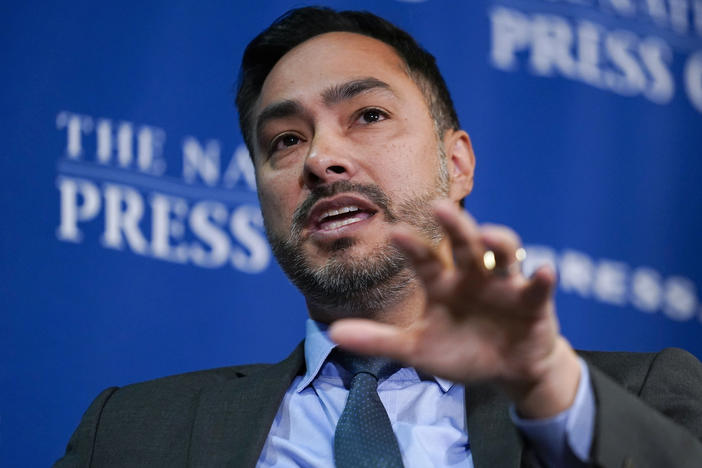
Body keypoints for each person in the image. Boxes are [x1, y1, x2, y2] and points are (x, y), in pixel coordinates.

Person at [55, 6, 702, 468]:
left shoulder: (635, 395)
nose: (321, 158)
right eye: (286, 140)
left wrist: (548, 388)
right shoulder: (133, 433)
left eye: (367, 115)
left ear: (457, 164)